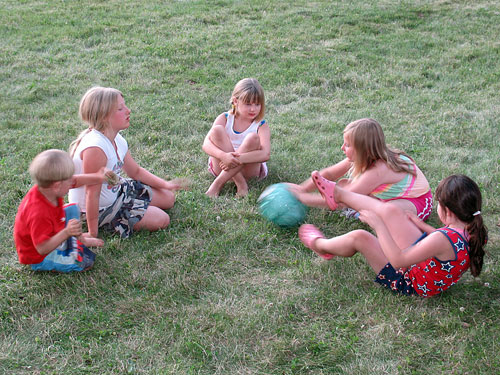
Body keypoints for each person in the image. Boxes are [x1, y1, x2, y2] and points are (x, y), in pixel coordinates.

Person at [296, 173, 488, 297]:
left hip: (410, 281)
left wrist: (379, 226)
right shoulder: (474, 229)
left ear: (448, 212)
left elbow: (399, 261)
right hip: (423, 266)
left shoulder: (442, 240)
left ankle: (320, 245)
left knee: (360, 237)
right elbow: (446, 242)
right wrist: (421, 225)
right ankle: (338, 194)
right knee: (393, 212)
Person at [69, 87, 187, 239]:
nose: (128, 110)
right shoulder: (95, 148)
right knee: (162, 219)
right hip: (99, 208)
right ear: (104, 117)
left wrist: (165, 184)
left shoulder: (117, 139)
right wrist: (92, 233)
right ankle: (114, 219)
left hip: (118, 190)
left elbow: (135, 172)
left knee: (168, 198)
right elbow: (92, 194)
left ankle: (139, 205)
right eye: (120, 108)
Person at [295, 118, 433, 220]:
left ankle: (361, 211)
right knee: (343, 184)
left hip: (417, 202)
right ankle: (365, 207)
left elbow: (341, 198)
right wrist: (301, 189)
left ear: (364, 150)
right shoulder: (365, 155)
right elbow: (329, 173)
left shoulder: (379, 170)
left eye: (347, 145)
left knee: (386, 213)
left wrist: (303, 198)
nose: (342, 148)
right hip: (390, 197)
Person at [14, 149, 107, 272]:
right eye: (69, 181)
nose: (72, 183)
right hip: (39, 255)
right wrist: (66, 232)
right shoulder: (38, 213)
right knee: (84, 263)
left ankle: (79, 241)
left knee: (73, 208)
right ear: (57, 185)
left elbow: (77, 181)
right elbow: (42, 248)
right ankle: (57, 256)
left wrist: (99, 177)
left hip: (53, 230)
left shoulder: (49, 189)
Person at [202, 78, 270, 197]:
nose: (253, 109)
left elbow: (265, 154)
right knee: (217, 130)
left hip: (248, 170)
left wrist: (236, 159)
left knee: (252, 138)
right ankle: (240, 184)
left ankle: (218, 183)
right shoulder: (225, 118)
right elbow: (206, 145)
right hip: (222, 167)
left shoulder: (261, 125)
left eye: (257, 104)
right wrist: (223, 156)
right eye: (248, 104)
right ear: (235, 101)